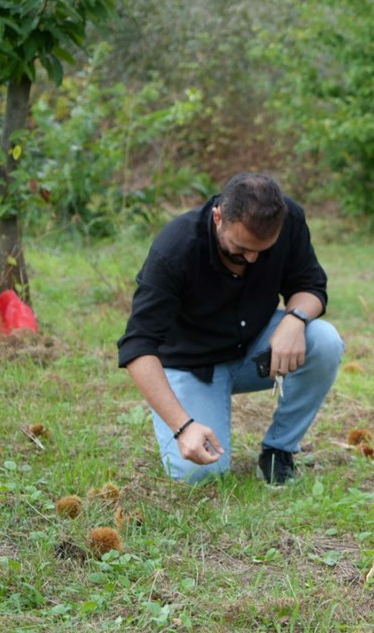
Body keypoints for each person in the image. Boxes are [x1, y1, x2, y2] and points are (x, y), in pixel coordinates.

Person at [118, 172, 344, 486]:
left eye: (262, 252)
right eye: (240, 249)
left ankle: (279, 450)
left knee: (324, 341)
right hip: (192, 364)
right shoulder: (176, 248)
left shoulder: (289, 220)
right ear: (218, 217)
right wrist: (183, 427)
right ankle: (189, 411)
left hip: (254, 350)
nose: (251, 258)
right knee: (201, 474)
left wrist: (295, 319)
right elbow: (137, 346)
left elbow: (311, 285)